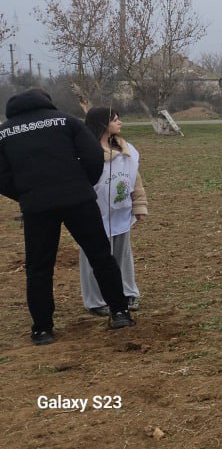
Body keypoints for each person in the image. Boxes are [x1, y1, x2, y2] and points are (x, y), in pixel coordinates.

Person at [0, 89, 135, 345]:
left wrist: (25, 194)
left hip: (37, 207)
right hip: (78, 200)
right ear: (46, 102)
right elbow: (94, 155)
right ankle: (120, 312)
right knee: (100, 256)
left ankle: (42, 329)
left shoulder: (4, 132)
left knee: (38, 268)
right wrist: (83, 184)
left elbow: (2, 176)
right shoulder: (66, 121)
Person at [79, 107, 149, 316]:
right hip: (93, 215)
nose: (120, 123)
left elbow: (134, 180)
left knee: (122, 255)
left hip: (121, 213)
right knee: (94, 256)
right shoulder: (85, 152)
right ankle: (96, 300)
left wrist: (139, 205)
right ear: (102, 124)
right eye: (115, 120)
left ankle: (127, 292)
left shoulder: (126, 150)